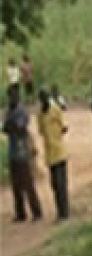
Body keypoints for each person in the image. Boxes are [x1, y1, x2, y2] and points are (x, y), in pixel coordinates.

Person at [3, 84, 42, 223]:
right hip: (13, 152)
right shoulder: (10, 111)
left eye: (14, 95)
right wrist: (11, 125)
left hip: (23, 152)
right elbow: (6, 128)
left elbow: (18, 128)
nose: (12, 98)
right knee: (16, 185)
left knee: (27, 183)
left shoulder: (21, 111)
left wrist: (10, 125)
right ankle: (20, 213)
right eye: (10, 95)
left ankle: (36, 212)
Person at [37, 88, 70, 222]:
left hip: (60, 152)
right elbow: (41, 130)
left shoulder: (55, 110)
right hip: (50, 155)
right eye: (42, 98)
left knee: (61, 184)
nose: (44, 100)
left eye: (46, 97)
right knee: (55, 185)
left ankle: (64, 213)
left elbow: (64, 127)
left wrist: (56, 135)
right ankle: (60, 212)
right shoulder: (39, 113)